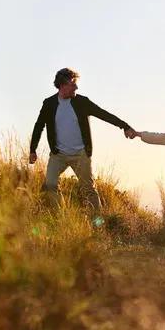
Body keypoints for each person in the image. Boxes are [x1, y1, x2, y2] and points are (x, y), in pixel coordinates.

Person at [29, 68, 136, 226]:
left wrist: (125, 126)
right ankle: (63, 219)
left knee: (88, 189)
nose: (76, 88)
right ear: (62, 85)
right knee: (50, 185)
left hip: (80, 154)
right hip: (58, 155)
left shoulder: (82, 102)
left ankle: (97, 224)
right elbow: (39, 126)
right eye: (73, 85)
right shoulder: (49, 104)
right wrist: (33, 149)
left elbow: (103, 114)